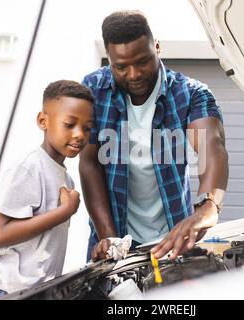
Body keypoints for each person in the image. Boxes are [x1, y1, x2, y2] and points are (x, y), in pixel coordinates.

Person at [80, 10, 228, 262]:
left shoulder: (191, 93)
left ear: (157, 47)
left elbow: (211, 148)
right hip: (113, 239)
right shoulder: (93, 90)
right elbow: (89, 162)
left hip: (174, 241)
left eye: (142, 61)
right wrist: (111, 239)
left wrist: (208, 206)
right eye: (121, 67)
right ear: (109, 59)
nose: (134, 74)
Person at [0, 80, 94, 299]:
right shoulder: (30, 167)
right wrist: (63, 212)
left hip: (27, 293)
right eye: (70, 124)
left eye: (87, 127)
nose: (80, 134)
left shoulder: (66, 179)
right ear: (43, 121)